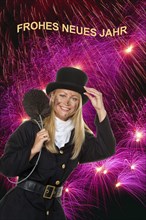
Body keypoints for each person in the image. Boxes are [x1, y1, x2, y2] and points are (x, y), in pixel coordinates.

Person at [0, 67, 116, 220]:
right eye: (62, 95)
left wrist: (100, 109)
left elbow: (106, 149)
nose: (67, 103)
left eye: (74, 98)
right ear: (53, 97)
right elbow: (6, 167)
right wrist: (33, 149)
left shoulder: (80, 137)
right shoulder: (31, 128)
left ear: (78, 104)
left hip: (53, 209)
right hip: (19, 209)